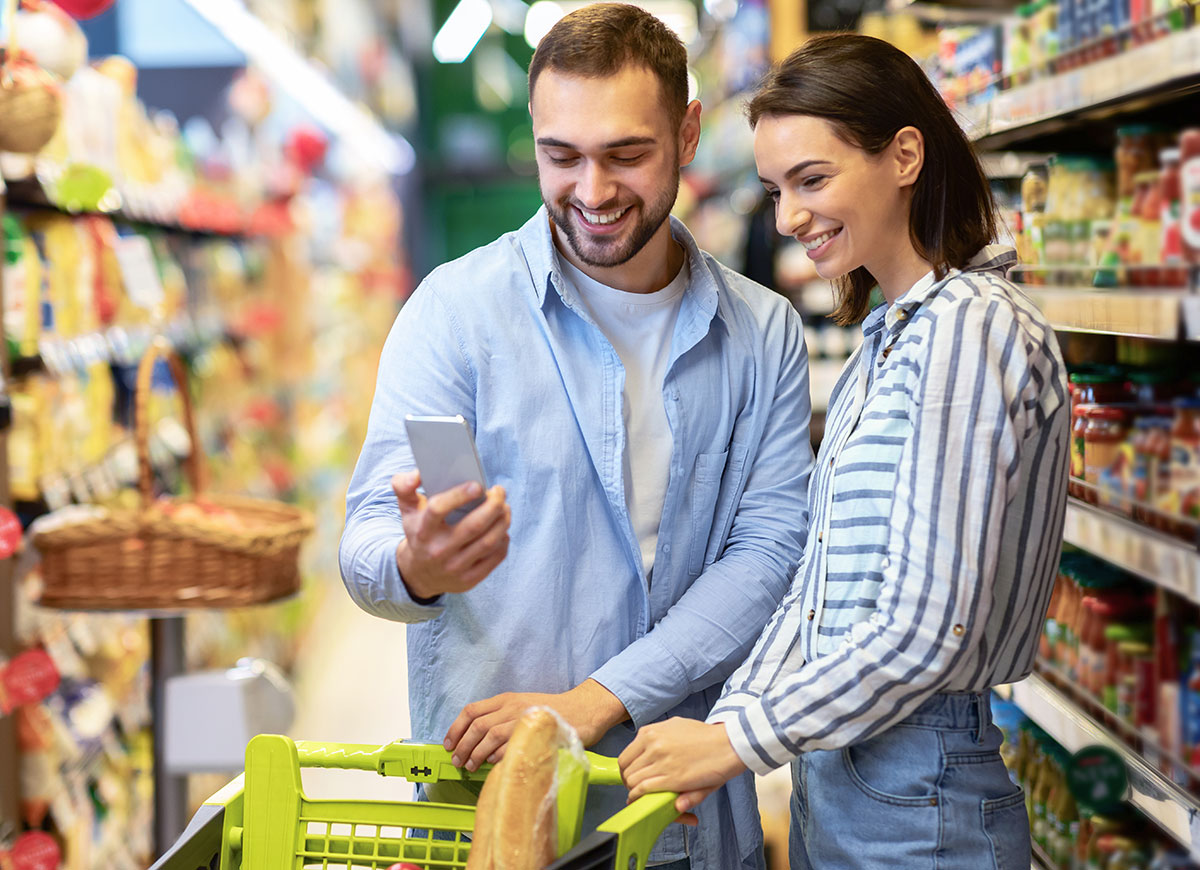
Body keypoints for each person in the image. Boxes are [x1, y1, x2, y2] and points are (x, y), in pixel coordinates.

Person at [338, 5, 815, 867]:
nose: (592, 193)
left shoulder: (762, 335)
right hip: (493, 820)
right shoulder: (456, 318)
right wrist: (417, 567)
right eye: (562, 157)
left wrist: (591, 703)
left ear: (688, 132)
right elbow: (370, 539)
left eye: (626, 155)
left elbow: (770, 555)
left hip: (682, 818)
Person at [619, 33, 1068, 870]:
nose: (788, 218)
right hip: (848, 773)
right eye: (775, 189)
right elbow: (817, 599)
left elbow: (926, 630)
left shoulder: (972, 326)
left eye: (812, 179)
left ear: (904, 155)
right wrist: (725, 726)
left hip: (921, 787)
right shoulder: (888, 340)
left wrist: (737, 741)